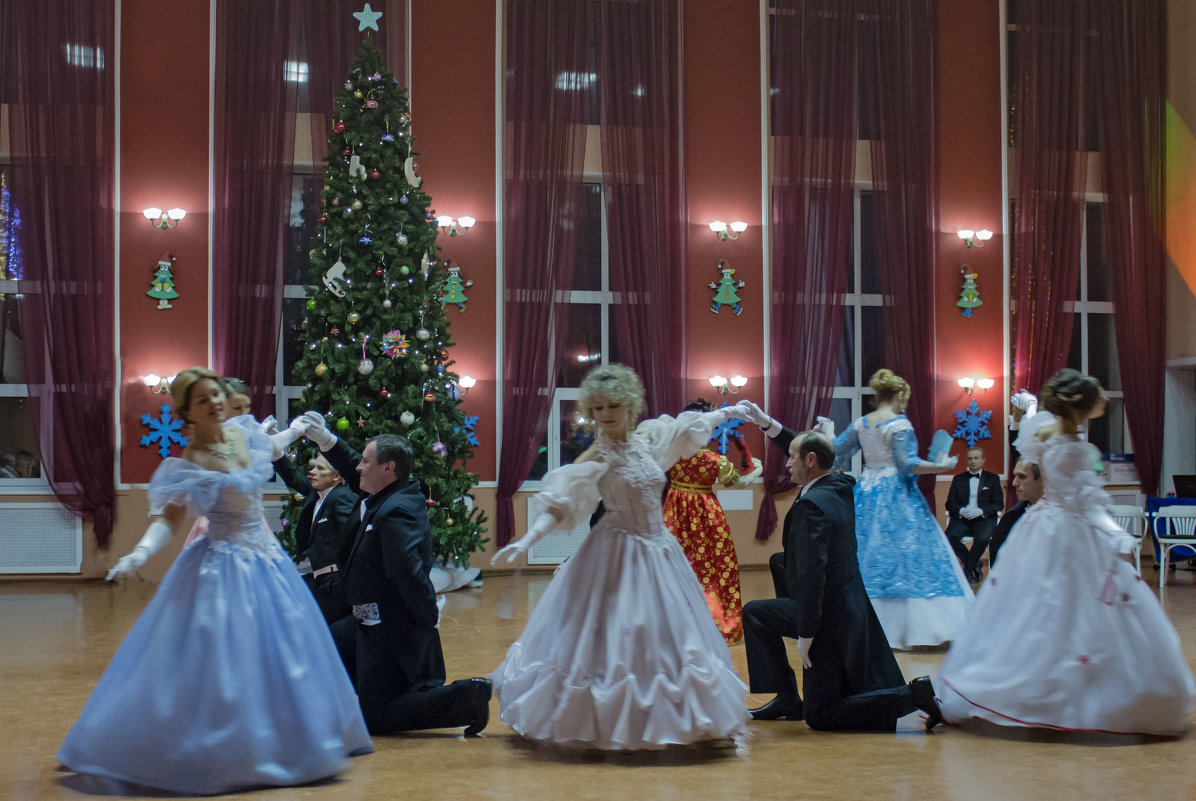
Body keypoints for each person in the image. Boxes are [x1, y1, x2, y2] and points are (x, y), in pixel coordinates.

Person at [57, 368, 371, 794]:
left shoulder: (243, 435)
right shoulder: (188, 462)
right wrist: (140, 553)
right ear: (187, 413)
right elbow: (169, 520)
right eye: (204, 400)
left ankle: (286, 738)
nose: (216, 404)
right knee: (221, 656)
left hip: (268, 562)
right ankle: (227, 749)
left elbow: (273, 444)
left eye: (217, 396)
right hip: (221, 565)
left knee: (283, 650)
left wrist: (299, 430)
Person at [490, 364, 750, 749]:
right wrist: (528, 538)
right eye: (597, 408)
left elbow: (685, 428)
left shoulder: (648, 439)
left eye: (613, 405)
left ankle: (669, 716)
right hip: (616, 550)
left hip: (660, 550)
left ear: (630, 406)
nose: (605, 414)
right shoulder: (597, 455)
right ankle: (609, 719)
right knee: (616, 635)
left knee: (664, 636)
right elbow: (563, 503)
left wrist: (729, 412)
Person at [937, 369, 1196, 735]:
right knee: (1073, 607)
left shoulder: (1044, 435)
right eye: (1098, 398)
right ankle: (1071, 692)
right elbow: (1087, 501)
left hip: (1042, 526)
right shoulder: (1079, 448)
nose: (1104, 402)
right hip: (1072, 531)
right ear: (1081, 405)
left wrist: (1027, 409)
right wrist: (1115, 535)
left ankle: (1033, 681)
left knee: (1038, 608)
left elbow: (1027, 433)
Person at [752, 369, 971, 648]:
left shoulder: (862, 423)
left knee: (864, 555)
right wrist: (941, 466)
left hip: (868, 490)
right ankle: (914, 628)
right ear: (900, 396)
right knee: (909, 559)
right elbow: (906, 463)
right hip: (898, 495)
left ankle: (866, 622)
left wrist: (828, 434)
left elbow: (835, 453)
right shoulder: (900, 424)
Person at [740, 428, 942, 731]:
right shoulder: (841, 484)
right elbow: (816, 450)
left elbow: (813, 575)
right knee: (778, 564)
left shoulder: (812, 506)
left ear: (809, 461)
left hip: (826, 619)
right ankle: (786, 698)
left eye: (791, 457)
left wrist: (805, 634)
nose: (786, 464)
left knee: (820, 714)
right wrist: (770, 426)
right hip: (849, 607)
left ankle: (911, 696)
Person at [302, 415, 491, 736]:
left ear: (388, 468)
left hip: (389, 626)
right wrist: (324, 439)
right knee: (322, 650)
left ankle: (468, 698)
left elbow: (410, 574)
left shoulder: (398, 509)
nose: (358, 467)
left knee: (377, 718)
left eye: (366, 461)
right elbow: (350, 464)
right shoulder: (379, 494)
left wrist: (426, 618)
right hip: (363, 621)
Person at [661, 397, 763, 644]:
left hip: (675, 512)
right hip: (707, 514)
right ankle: (716, 624)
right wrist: (757, 470)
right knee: (713, 567)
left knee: (675, 566)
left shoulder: (669, 454)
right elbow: (739, 483)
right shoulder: (715, 461)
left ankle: (673, 628)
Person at [274, 450, 359, 623]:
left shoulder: (341, 497)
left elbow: (352, 538)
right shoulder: (318, 491)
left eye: (320, 469)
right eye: (314, 468)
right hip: (321, 578)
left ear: (336, 476)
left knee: (327, 631)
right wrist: (276, 451)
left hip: (335, 582)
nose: (312, 472)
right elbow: (293, 478)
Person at [944, 446, 1003, 582]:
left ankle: (967, 571)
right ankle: (975, 564)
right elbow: (950, 504)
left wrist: (981, 511)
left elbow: (998, 504)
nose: (973, 461)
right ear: (966, 461)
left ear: (983, 460)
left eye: (976, 458)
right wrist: (961, 510)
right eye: (970, 458)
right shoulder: (958, 479)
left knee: (983, 538)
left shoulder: (993, 479)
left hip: (983, 519)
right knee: (949, 537)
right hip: (962, 519)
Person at [988, 458, 1043, 568]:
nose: (1014, 483)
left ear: (1042, 479)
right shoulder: (1010, 518)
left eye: (1022, 477)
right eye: (1015, 476)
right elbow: (997, 561)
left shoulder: (1061, 521)